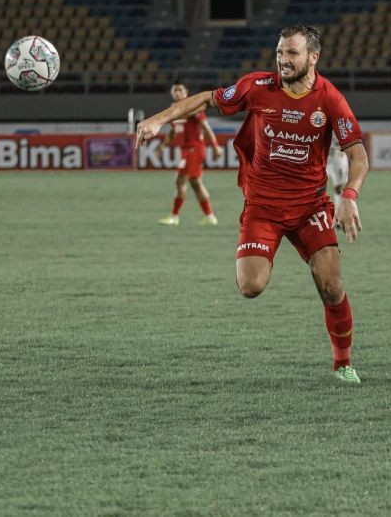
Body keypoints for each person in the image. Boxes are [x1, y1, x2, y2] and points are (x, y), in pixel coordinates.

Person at [136, 25, 370, 384]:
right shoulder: (258, 87)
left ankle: (343, 363)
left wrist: (349, 197)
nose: (283, 60)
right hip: (262, 206)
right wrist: (157, 119)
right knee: (251, 286)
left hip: (310, 207)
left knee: (332, 287)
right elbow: (205, 99)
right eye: (279, 52)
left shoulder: (330, 99)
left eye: (292, 53)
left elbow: (358, 155)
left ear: (313, 57)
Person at [157, 80, 224, 226]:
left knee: (180, 180)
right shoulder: (173, 109)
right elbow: (174, 130)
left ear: (186, 92)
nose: (177, 93)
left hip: (194, 149)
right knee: (196, 184)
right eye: (174, 90)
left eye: (180, 90)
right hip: (186, 150)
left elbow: (205, 127)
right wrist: (163, 145)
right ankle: (210, 217)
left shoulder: (192, 107)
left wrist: (215, 146)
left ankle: (174, 217)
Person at [327, 141, 349, 207]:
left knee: (338, 187)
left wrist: (342, 149)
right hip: (325, 156)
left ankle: (338, 208)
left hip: (338, 157)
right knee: (319, 184)